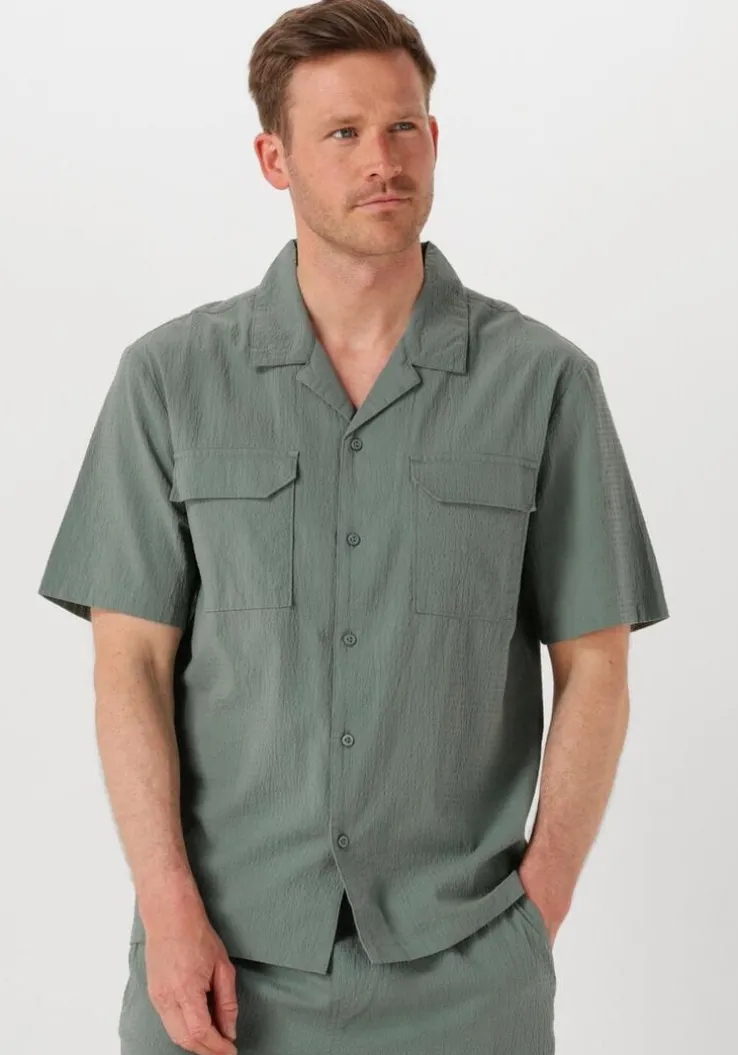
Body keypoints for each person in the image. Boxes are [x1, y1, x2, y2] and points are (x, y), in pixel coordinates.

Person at [37, 1, 670, 1052]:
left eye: (402, 126)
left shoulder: (546, 382)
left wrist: (538, 906)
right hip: (216, 965)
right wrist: (168, 910)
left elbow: (595, 661)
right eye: (342, 132)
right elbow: (129, 666)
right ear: (273, 159)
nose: (382, 159)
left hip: (466, 968)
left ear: (435, 138)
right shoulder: (169, 381)